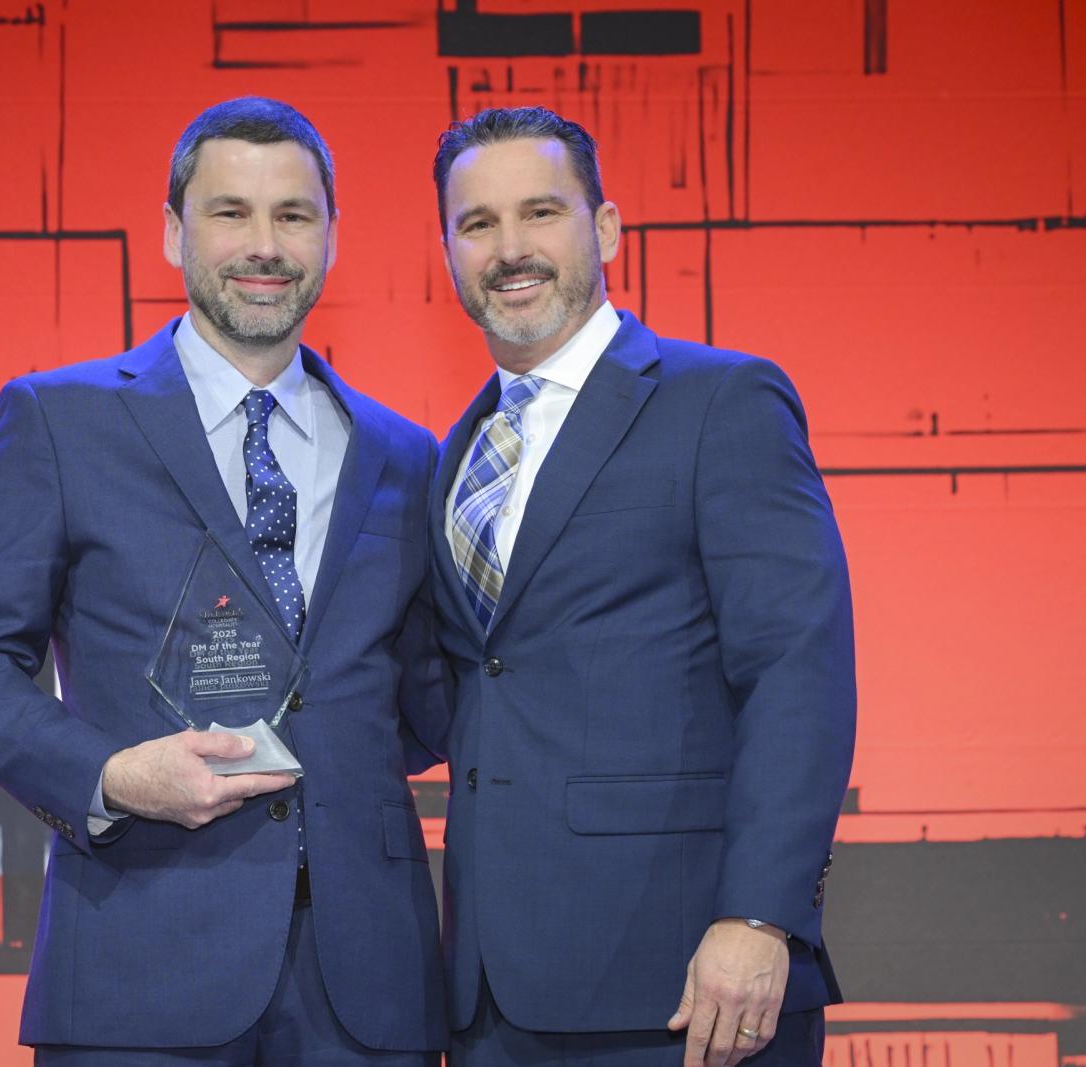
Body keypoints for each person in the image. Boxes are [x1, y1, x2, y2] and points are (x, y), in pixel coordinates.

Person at [0, 97, 447, 1065]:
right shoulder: (58, 420)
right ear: (171, 231)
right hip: (137, 965)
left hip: (370, 985)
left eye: (293, 215)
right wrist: (111, 776)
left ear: (331, 236)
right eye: (228, 211)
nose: (264, 244)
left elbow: (416, 697)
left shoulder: (405, 454)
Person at [427, 106, 856, 1066]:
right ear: (448, 252)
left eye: (541, 212)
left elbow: (797, 669)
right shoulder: (453, 453)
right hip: (493, 1000)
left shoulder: (721, 400)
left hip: (692, 987)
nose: (510, 249)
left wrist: (760, 915)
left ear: (607, 228)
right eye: (477, 223)